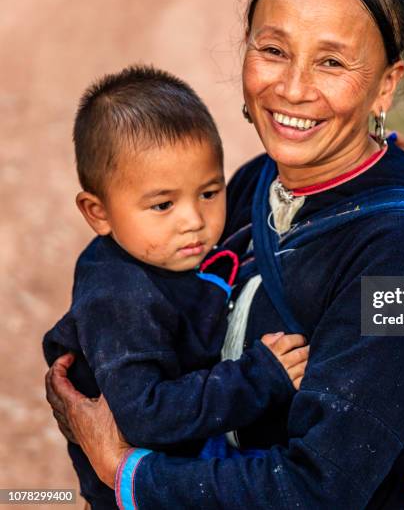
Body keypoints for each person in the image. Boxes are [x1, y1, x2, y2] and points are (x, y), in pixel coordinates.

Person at [45, 0, 404, 509]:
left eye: (332, 63)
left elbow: (318, 490)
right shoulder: (258, 182)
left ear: (385, 87)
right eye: (275, 50)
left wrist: (124, 472)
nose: (293, 87)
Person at [43, 65, 308, 509]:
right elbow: (144, 416)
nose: (193, 221)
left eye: (209, 193)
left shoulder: (165, 252)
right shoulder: (117, 296)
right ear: (98, 212)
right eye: (163, 204)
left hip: (189, 456)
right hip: (141, 486)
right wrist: (259, 378)